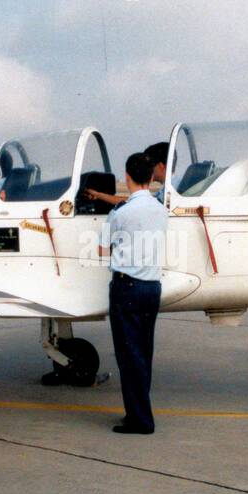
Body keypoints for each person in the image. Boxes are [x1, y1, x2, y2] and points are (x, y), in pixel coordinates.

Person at [102, 152, 168, 435]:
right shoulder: (160, 209)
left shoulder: (121, 212)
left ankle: (140, 419)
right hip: (151, 288)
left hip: (126, 288)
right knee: (143, 354)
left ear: (126, 176)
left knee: (129, 357)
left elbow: (102, 247)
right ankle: (138, 412)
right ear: (151, 177)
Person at [83, 141, 175, 207]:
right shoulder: (167, 189)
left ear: (161, 166)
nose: (147, 168)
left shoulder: (174, 190)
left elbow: (138, 203)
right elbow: (137, 201)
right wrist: (99, 195)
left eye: (150, 165)